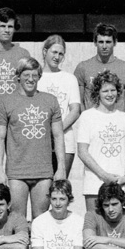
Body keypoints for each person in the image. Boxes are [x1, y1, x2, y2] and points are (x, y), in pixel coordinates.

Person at [0, 57, 65, 220]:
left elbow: (58, 135)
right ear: (18, 76)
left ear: (39, 76)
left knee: (40, 220)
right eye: (26, 75)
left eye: (35, 75)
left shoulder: (50, 100)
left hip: (43, 172)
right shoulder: (5, 102)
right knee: (17, 218)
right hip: (16, 172)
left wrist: (60, 167)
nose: (30, 79)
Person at [77, 71, 125, 212]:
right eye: (105, 91)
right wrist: (104, 176)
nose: (110, 94)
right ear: (98, 93)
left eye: (113, 90)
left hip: (119, 182)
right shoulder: (87, 116)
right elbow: (82, 152)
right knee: (94, 225)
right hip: (94, 182)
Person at [36, 34, 81, 177]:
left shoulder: (69, 79)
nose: (57, 57)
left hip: (65, 140)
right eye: (54, 52)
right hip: (40, 142)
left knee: (60, 189)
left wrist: (56, 130)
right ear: (45, 51)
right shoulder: (36, 78)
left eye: (61, 54)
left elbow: (75, 110)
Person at [74, 23, 125, 112]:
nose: (104, 46)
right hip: (92, 122)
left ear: (115, 42)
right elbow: (78, 101)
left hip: (117, 122)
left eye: (108, 42)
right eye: (101, 42)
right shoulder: (83, 67)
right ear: (95, 42)